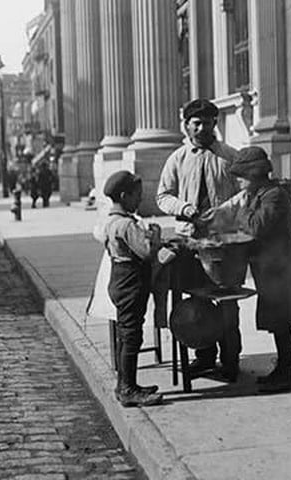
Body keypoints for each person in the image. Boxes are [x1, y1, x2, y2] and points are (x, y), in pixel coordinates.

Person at [203, 146, 291, 392]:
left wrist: (239, 211)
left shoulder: (273, 196)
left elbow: (254, 228)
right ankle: (283, 368)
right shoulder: (259, 195)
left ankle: (287, 373)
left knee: (282, 323)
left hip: (281, 271)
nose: (238, 181)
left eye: (241, 176)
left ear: (254, 174)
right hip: (270, 271)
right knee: (277, 323)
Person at [156, 98, 242, 382]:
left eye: (208, 123)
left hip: (224, 245)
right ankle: (203, 357)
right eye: (197, 123)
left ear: (215, 124)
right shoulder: (177, 159)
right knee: (196, 302)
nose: (204, 128)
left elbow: (246, 193)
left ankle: (230, 360)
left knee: (228, 302)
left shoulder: (230, 156)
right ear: (187, 125)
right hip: (191, 244)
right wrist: (184, 208)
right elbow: (163, 196)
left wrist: (226, 211)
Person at [101, 170, 163, 407]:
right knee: (132, 336)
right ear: (125, 195)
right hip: (131, 283)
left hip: (119, 280)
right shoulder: (127, 224)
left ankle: (125, 385)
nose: (139, 200)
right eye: (137, 195)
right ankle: (128, 389)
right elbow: (146, 252)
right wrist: (155, 236)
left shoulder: (112, 221)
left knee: (125, 334)